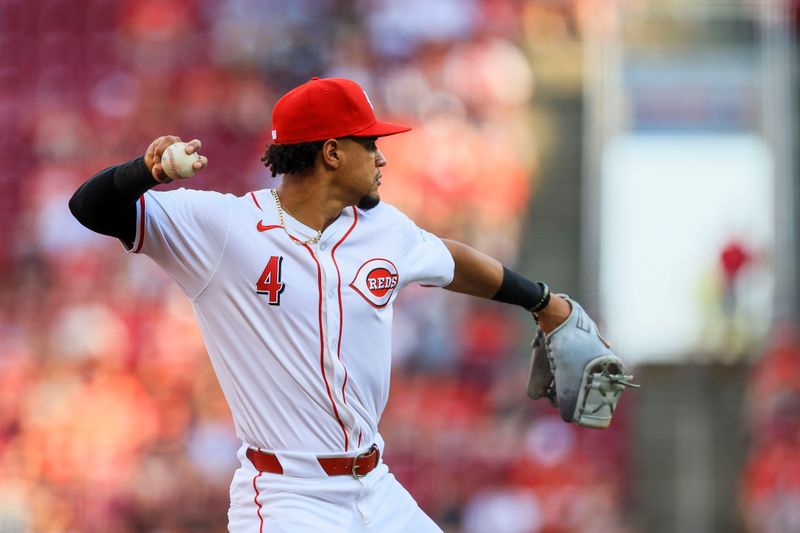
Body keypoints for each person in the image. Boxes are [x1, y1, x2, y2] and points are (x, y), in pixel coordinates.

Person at [69, 76, 573, 532]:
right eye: (370, 143)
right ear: (332, 152)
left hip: (376, 487)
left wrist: (544, 302)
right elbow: (89, 208)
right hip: (289, 497)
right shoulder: (224, 229)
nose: (381, 157)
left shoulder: (384, 228)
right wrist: (144, 170)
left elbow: (451, 261)